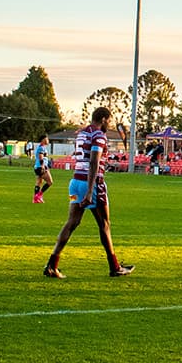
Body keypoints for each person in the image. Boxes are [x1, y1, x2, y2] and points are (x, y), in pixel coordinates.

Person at [44, 107, 133, 279]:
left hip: (75, 183)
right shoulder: (99, 135)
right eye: (109, 120)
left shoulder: (82, 134)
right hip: (90, 184)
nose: (110, 124)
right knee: (104, 225)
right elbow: (94, 161)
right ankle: (115, 267)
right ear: (104, 119)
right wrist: (90, 191)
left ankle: (52, 265)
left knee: (72, 222)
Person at [31, 135, 53, 204]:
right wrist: (43, 166)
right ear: (43, 140)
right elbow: (41, 157)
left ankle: (35, 199)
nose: (48, 140)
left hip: (37, 167)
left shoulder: (41, 147)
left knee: (39, 182)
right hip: (41, 167)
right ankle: (39, 195)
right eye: (47, 139)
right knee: (50, 182)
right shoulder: (41, 148)